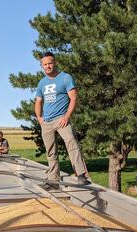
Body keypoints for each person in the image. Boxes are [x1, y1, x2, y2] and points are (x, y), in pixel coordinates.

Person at [35, 51, 90, 190]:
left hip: (61, 119)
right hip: (46, 122)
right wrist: (39, 118)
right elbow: (38, 101)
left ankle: (81, 175)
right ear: (42, 66)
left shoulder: (65, 78)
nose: (48, 66)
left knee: (72, 143)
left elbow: (73, 98)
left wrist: (67, 116)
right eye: (45, 64)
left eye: (50, 63)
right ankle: (53, 180)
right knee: (51, 151)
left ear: (55, 63)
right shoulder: (42, 83)